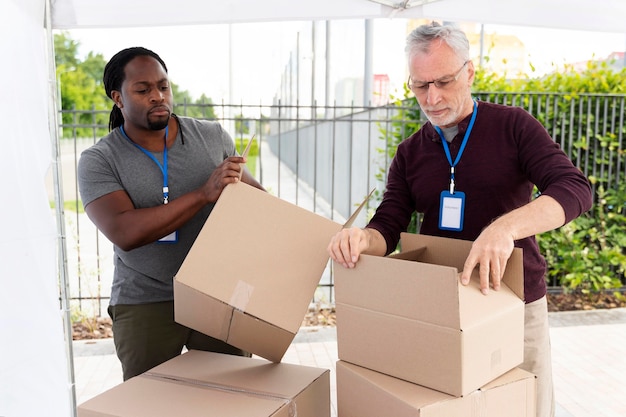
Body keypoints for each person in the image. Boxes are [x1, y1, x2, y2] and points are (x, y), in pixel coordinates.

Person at [327, 22, 592, 417]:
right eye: (419, 86)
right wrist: (361, 239)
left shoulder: (514, 126)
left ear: (469, 72)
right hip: (443, 309)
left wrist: (505, 228)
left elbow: (575, 188)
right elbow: (388, 224)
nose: (431, 98)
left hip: (514, 303)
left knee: (526, 408)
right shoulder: (409, 152)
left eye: (443, 81)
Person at [77, 47, 265, 381]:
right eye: (143, 89)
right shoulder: (99, 159)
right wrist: (203, 195)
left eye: (164, 87)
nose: (158, 96)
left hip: (216, 292)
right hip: (146, 299)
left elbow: (256, 203)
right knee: (150, 403)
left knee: (233, 399)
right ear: (118, 98)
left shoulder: (211, 136)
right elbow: (125, 231)